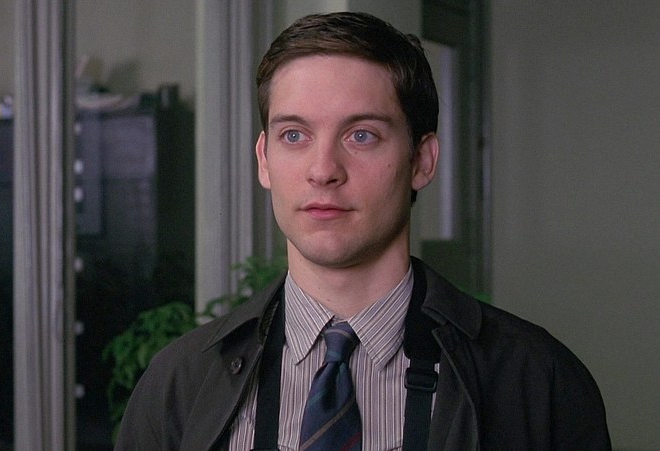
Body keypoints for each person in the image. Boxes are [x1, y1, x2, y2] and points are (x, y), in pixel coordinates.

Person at [116, 11, 611, 450]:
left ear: (422, 160)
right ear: (264, 160)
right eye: (295, 135)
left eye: (361, 135)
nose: (323, 170)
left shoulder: (537, 381)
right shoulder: (179, 383)